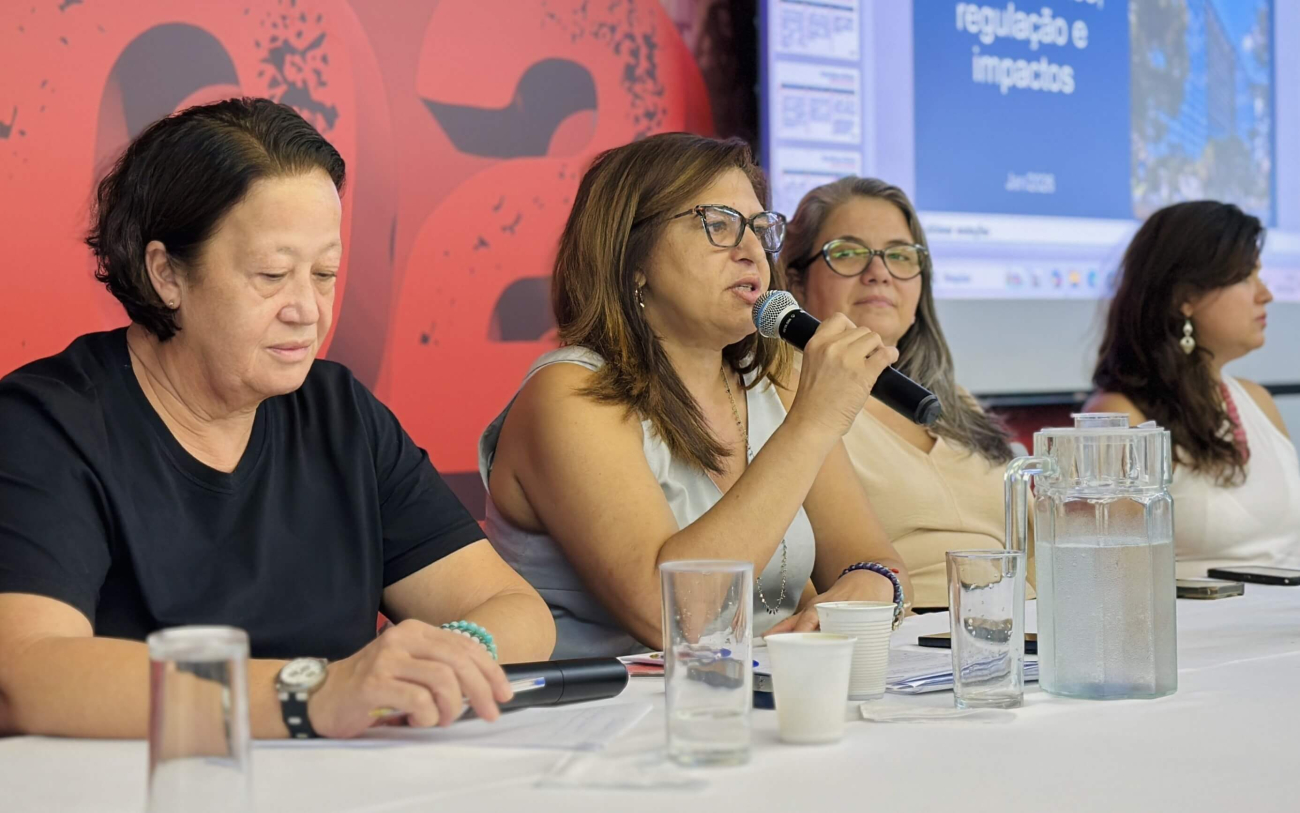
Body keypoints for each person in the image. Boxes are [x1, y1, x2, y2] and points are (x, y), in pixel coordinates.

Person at [0, 98, 556, 741]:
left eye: (325, 273)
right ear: (165, 274)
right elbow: (26, 673)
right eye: (272, 275)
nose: (308, 310)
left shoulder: (339, 413)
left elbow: (517, 611)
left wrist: (451, 654)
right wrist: (312, 694)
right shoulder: (47, 424)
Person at [479, 133, 912, 660]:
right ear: (631, 256)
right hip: (604, 721)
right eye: (719, 225)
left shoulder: (774, 381)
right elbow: (672, 615)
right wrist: (812, 424)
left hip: (759, 698)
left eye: (759, 228)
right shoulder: (569, 394)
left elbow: (879, 563)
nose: (752, 251)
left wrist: (867, 590)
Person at [779, 177, 1026, 609]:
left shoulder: (954, 399)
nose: (880, 273)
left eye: (900, 255)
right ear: (797, 283)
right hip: (909, 635)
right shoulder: (787, 393)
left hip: (1022, 629)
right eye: (849, 253)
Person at [1087, 200, 1299, 576]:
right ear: (1185, 297)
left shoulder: (1257, 400)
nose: (1265, 294)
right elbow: (1110, 577)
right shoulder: (1118, 417)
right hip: (1205, 630)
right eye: (1246, 277)